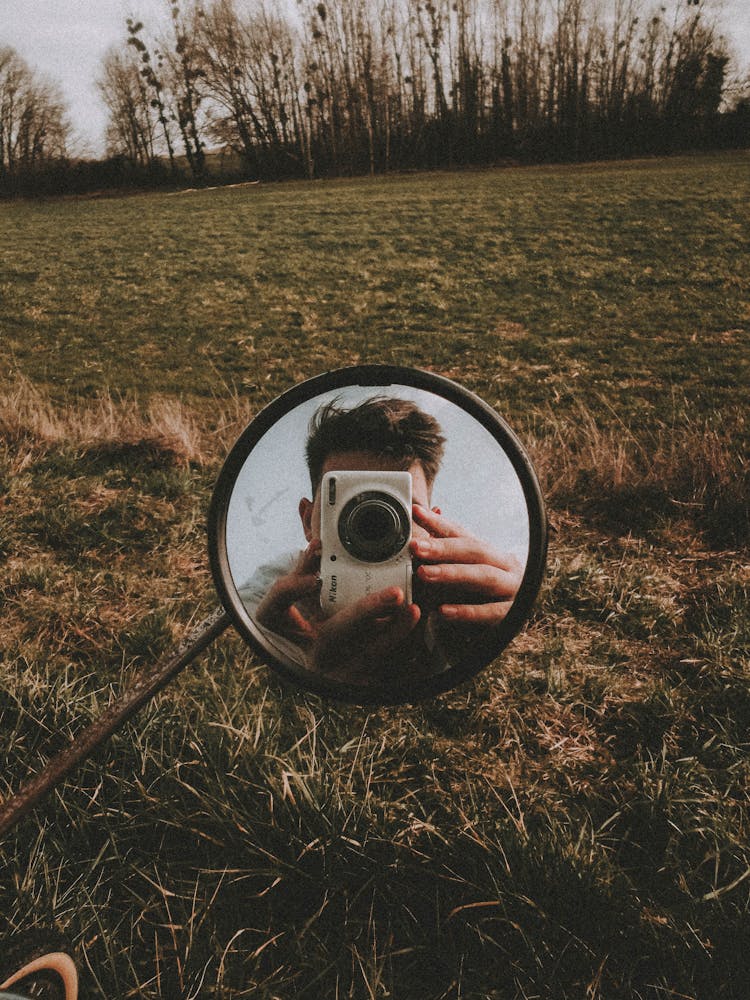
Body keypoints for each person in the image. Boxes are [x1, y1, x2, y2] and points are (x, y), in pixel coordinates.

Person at [240, 396, 523, 683]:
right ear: (307, 520)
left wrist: (502, 631)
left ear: (434, 525)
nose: (372, 528)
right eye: (348, 508)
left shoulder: (454, 594)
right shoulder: (278, 594)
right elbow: (229, 662)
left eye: (397, 511)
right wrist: (274, 656)